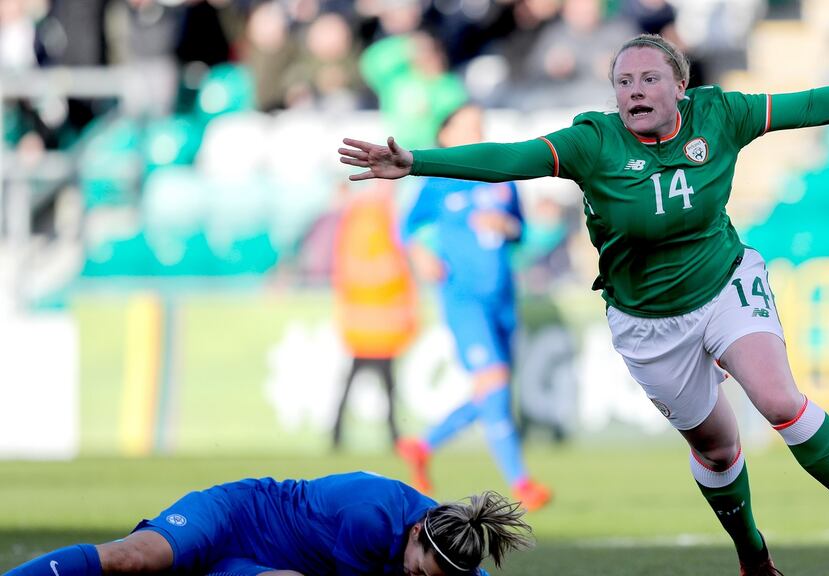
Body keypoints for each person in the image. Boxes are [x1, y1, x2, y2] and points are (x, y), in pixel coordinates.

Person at [339, 33, 829, 575]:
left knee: (779, 400)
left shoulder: (720, 115)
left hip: (724, 283)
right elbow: (513, 158)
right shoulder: (594, 143)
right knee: (720, 450)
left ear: (680, 86)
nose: (633, 90)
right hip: (647, 324)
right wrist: (417, 161)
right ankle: (751, 551)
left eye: (648, 78)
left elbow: (809, 104)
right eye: (622, 81)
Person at [395, 104, 552, 512]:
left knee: (494, 393)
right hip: (463, 298)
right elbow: (407, 227)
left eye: (479, 126)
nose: (474, 132)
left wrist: (507, 227)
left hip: (502, 296)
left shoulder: (504, 177)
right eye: (465, 127)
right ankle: (522, 484)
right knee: (494, 383)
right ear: (444, 136)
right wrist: (420, 256)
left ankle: (422, 445)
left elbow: (520, 230)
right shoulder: (438, 181)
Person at [2, 471, 533, 576]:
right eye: (419, 574)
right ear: (416, 532)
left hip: (259, 565)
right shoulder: (372, 517)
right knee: (133, 560)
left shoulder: (448, 551)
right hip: (234, 515)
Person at [331, 180, 419, 449]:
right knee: (381, 378)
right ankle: (388, 433)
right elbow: (380, 265)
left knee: (369, 376)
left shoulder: (368, 213)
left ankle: (339, 432)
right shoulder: (372, 215)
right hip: (375, 318)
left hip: (373, 320)